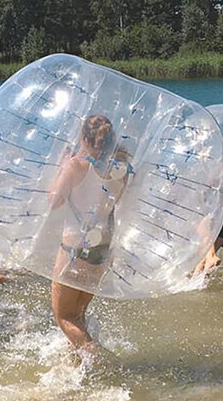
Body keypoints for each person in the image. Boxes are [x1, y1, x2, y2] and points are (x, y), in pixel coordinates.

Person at [48, 115, 129, 352]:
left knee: (64, 317)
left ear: (84, 138)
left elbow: (54, 201)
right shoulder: (121, 170)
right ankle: (77, 365)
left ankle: (99, 362)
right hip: (102, 250)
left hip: (74, 249)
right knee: (78, 315)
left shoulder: (74, 166)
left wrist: (61, 166)